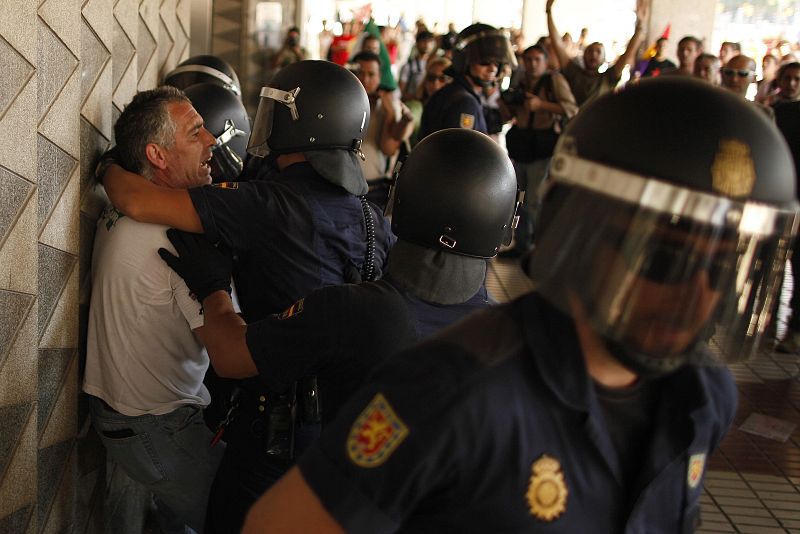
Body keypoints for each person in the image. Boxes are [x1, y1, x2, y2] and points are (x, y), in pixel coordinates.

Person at [242, 77, 799, 533]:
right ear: (579, 231)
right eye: (665, 259)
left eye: (723, 270)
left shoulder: (701, 395)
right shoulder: (453, 389)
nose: (696, 296)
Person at [156, 128, 518, 532]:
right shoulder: (509, 341)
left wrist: (213, 289)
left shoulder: (352, 309)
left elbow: (231, 356)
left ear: (402, 198)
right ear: (504, 227)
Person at [98, 60, 396, 532]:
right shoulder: (370, 216)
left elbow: (136, 201)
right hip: (336, 423)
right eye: (195, 133)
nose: (215, 141)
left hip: (269, 425)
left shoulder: (263, 204)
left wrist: (110, 164)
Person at [83, 86, 224, 534]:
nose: (213, 140)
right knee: (235, 515)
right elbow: (234, 355)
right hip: (154, 423)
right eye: (195, 132)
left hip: (126, 410)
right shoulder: (175, 240)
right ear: (157, 156)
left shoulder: (125, 200)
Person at [500, 43, 578, 255]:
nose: (532, 64)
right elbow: (509, 115)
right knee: (520, 198)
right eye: (528, 60)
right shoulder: (521, 81)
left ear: (545, 61)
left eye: (537, 60)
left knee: (535, 200)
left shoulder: (554, 80)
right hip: (522, 145)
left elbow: (572, 109)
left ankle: (539, 247)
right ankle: (523, 243)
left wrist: (542, 105)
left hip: (543, 147)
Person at [419, 23, 516, 139]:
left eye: (496, 63)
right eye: (484, 62)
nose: (492, 69)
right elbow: (463, 152)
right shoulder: (464, 102)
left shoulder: (455, 93)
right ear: (464, 61)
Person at [546, 0, 649, 106]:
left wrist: (640, 26)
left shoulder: (609, 77)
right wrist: (548, 11)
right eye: (590, 51)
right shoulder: (573, 72)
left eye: (598, 52)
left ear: (604, 58)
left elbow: (629, 53)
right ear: (584, 55)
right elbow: (557, 44)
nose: (593, 54)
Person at [351, 51, 414, 208]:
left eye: (371, 74)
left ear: (379, 77)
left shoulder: (390, 105)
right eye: (361, 73)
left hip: (375, 189)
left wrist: (390, 114)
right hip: (346, 186)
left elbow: (388, 149)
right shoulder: (345, 101)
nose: (365, 79)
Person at [398, 30, 436, 102]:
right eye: (423, 41)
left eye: (430, 42)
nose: (427, 44)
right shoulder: (408, 66)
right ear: (417, 43)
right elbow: (400, 92)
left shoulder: (434, 65)